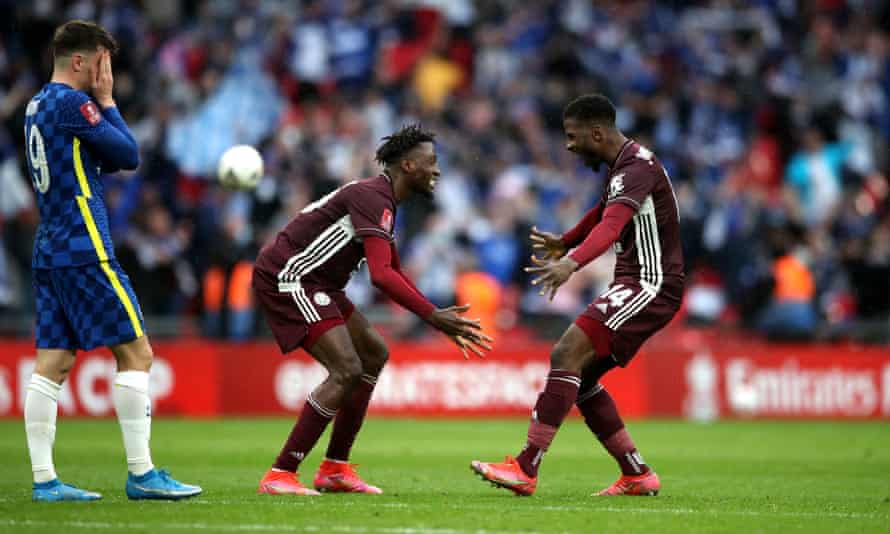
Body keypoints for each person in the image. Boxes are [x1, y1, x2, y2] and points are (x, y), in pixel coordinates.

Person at [253, 124, 491, 496]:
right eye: (432, 162)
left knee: (373, 354)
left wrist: (436, 316)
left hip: (320, 284)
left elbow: (392, 270)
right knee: (346, 369)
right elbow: (380, 276)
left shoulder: (383, 201)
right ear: (409, 166)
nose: (438, 170)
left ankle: (334, 468)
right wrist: (432, 315)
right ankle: (281, 472)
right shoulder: (372, 197)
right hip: (290, 277)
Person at [22, 20, 201, 502]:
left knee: (53, 363)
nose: (108, 72)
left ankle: (44, 481)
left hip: (50, 246)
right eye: (103, 61)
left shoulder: (36, 104)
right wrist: (108, 101)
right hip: (84, 243)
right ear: (80, 62)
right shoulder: (72, 103)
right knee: (137, 353)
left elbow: (107, 160)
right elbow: (128, 152)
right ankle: (142, 474)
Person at [470, 94, 684, 496]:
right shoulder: (625, 166)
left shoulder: (635, 170)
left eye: (573, 136)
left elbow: (610, 227)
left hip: (650, 284)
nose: (569, 145)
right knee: (580, 378)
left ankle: (526, 466)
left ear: (597, 132)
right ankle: (636, 473)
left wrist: (571, 262)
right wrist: (565, 241)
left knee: (566, 353)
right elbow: (602, 213)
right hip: (636, 282)